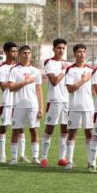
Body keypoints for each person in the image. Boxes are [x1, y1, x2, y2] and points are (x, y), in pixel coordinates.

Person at [7, 45, 43, 166]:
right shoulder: (14, 70)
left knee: (34, 130)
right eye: (24, 53)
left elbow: (39, 90)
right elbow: (11, 88)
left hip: (33, 105)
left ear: (31, 55)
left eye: (28, 53)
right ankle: (13, 158)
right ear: (20, 55)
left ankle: (35, 157)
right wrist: (25, 82)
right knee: (16, 130)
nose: (26, 55)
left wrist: (41, 108)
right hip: (18, 105)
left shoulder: (36, 71)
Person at [63, 44, 94, 171]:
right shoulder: (70, 70)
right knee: (72, 133)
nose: (82, 54)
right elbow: (70, 89)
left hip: (88, 107)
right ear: (75, 54)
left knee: (89, 133)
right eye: (79, 52)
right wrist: (83, 80)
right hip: (74, 106)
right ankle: (69, 161)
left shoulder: (92, 70)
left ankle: (91, 161)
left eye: (83, 52)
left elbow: (94, 89)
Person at [42, 38, 70, 166]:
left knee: (65, 129)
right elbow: (54, 81)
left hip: (67, 101)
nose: (61, 50)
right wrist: (64, 70)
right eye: (59, 48)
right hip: (54, 100)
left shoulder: (68, 63)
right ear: (53, 49)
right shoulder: (49, 63)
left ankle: (62, 158)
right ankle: (44, 158)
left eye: (63, 48)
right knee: (50, 128)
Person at [0, 42, 18, 163]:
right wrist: (16, 83)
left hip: (19, 102)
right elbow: (4, 86)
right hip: (7, 102)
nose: (15, 53)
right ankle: (3, 154)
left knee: (19, 128)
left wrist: (15, 84)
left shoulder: (20, 67)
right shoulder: (2, 68)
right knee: (4, 127)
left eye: (16, 51)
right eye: (12, 51)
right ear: (6, 52)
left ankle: (21, 154)